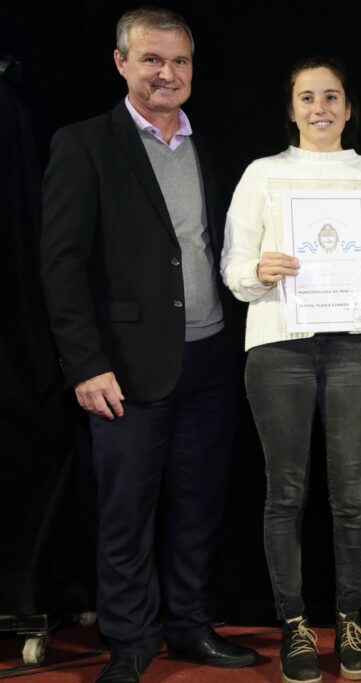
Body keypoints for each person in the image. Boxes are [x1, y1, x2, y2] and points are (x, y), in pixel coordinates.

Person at [38, 7, 256, 682]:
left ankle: (189, 625)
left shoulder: (206, 146)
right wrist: (85, 363)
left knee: (198, 503)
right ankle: (130, 639)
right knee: (127, 509)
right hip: (125, 368)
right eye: (152, 59)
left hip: (211, 357)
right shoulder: (84, 144)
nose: (167, 73)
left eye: (179, 61)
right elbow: (61, 265)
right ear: (121, 63)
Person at [221, 56, 361, 682]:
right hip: (279, 344)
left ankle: (350, 618)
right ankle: (295, 624)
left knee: (353, 495)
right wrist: (259, 270)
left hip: (356, 345)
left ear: (349, 108)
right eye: (307, 97)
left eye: (331, 96)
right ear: (292, 109)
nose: (320, 107)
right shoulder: (262, 174)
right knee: (286, 492)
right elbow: (233, 266)